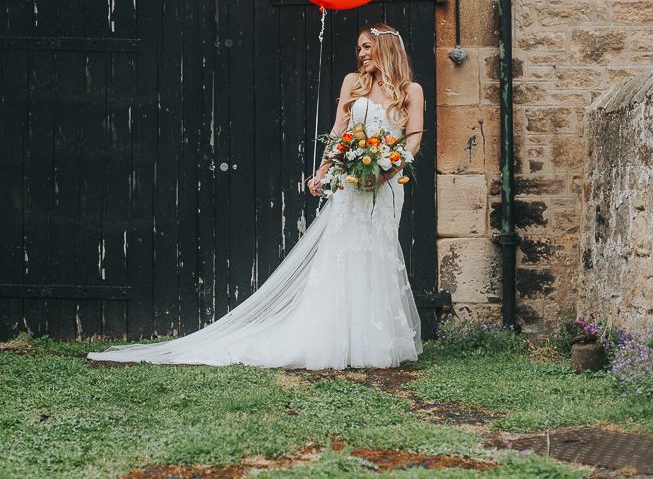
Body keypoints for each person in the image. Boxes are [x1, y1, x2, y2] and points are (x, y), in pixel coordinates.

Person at [87, 23, 424, 369]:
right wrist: (323, 170)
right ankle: (337, 338)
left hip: (385, 190)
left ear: (386, 47)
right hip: (351, 187)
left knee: (378, 254)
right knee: (344, 255)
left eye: (368, 47)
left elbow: (412, 138)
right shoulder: (353, 84)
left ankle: (374, 340)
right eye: (359, 48)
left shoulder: (411, 90)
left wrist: (387, 171)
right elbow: (339, 132)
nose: (362, 54)